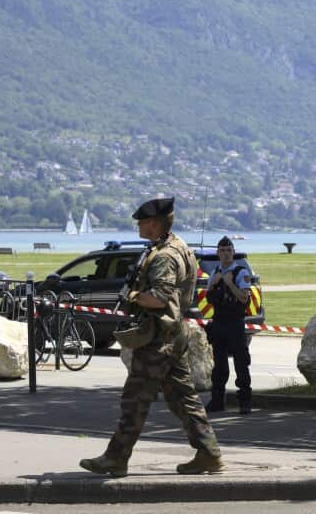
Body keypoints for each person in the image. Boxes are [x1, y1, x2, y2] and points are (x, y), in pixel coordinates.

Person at [79, 196, 223, 476]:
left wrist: (133, 296)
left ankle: (115, 458)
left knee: (135, 400)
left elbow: (158, 297)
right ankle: (209, 453)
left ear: (155, 224)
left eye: (142, 222)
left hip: (158, 338)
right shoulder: (179, 246)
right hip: (174, 333)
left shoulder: (165, 256)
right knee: (183, 398)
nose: (138, 226)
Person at [205, 236, 253, 415]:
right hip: (218, 322)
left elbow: (243, 297)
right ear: (218, 253)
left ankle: (245, 402)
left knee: (241, 363)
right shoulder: (215, 272)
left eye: (229, 250)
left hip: (235, 323)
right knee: (219, 365)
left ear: (233, 252)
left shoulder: (241, 272)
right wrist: (215, 283)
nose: (225, 254)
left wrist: (229, 282)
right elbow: (209, 297)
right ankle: (217, 401)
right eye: (222, 251)